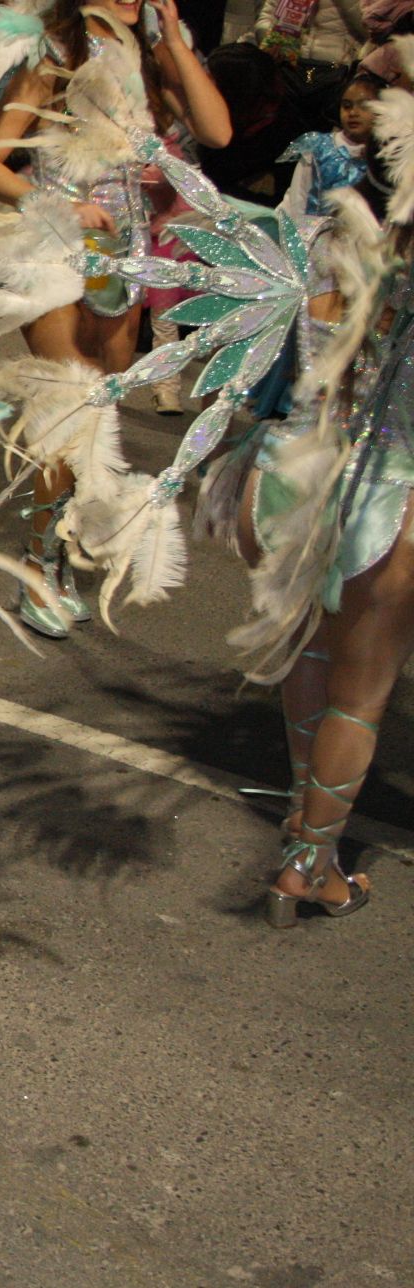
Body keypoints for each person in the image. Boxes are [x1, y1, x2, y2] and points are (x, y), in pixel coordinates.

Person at [0, 0, 231, 637]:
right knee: (73, 407)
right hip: (54, 245)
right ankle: (39, 563)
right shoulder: (57, 43)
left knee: (102, 399)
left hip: (127, 253)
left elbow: (218, 133)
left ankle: (53, 536)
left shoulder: (153, 43)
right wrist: (60, 205)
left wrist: (172, 38)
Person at [220, 212, 411, 927]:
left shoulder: (326, 237)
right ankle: (309, 868)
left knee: (312, 649)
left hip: (281, 478)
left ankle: (306, 819)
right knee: (360, 699)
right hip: (381, 499)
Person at [280, 72, 383, 218]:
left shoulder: (386, 155)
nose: (353, 113)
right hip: (315, 234)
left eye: (364, 106)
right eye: (346, 106)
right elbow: (298, 197)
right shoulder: (319, 147)